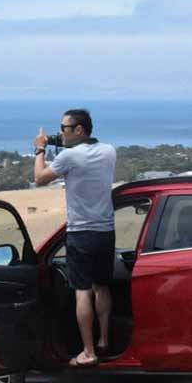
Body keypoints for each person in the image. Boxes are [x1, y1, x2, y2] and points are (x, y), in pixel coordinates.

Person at [33, 107, 118, 365]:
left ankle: (88, 352)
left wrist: (39, 149)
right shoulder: (109, 151)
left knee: (82, 291)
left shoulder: (69, 158)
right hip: (106, 231)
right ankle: (104, 340)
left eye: (64, 128)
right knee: (102, 286)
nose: (60, 132)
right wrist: (59, 141)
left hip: (81, 232)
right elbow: (79, 146)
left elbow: (39, 178)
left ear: (79, 130)